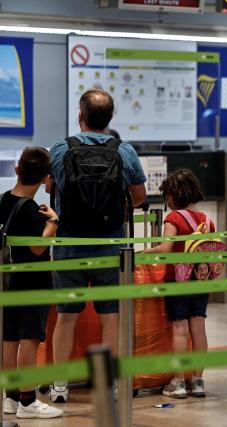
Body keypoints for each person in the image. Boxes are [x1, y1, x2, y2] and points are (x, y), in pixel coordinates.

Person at [47, 89, 146, 403]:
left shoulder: (62, 148)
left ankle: (59, 385)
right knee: (111, 317)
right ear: (111, 117)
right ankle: (109, 383)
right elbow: (140, 196)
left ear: (80, 115)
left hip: (69, 245)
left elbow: (51, 188)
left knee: (66, 316)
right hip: (110, 244)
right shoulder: (124, 150)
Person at [1, 148, 63, 419]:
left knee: (9, 338)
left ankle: (11, 398)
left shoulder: (4, 200)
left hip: (9, 281)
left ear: (17, 169)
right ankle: (28, 401)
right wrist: (54, 221)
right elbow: (38, 248)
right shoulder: (30, 209)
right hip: (33, 281)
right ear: (45, 179)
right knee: (29, 340)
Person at [144, 169, 212, 399]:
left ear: (174, 194)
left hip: (178, 282)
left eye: (167, 197)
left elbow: (165, 248)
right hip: (201, 281)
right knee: (199, 331)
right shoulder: (207, 219)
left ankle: (178, 382)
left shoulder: (174, 218)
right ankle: (198, 381)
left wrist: (142, 252)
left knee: (180, 331)